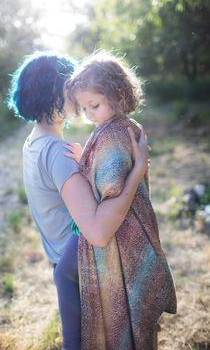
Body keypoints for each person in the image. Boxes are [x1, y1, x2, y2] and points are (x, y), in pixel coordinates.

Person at [6, 51, 150, 350]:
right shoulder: (57, 153)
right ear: (57, 93)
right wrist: (137, 173)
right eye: (71, 84)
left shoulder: (33, 142)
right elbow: (97, 233)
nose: (77, 90)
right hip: (80, 270)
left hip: (62, 259)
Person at [65, 50, 178, 350]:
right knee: (134, 309)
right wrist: (87, 160)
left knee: (122, 306)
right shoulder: (127, 126)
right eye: (83, 107)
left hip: (120, 235)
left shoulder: (112, 136)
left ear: (118, 95)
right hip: (134, 229)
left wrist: (87, 167)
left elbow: (109, 193)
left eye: (94, 105)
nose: (88, 114)